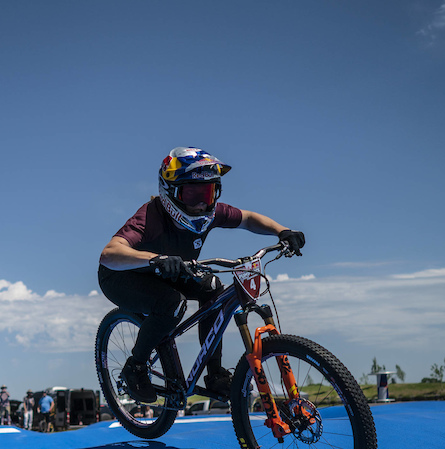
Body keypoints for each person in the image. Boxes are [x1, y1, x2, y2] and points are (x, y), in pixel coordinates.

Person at [98, 147, 305, 403]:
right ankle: (136, 366)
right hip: (122, 276)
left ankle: (215, 374)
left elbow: (248, 218)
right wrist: (155, 259)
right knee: (171, 304)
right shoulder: (150, 216)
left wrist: (282, 231)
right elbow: (109, 253)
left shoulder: (212, 212)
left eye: (207, 193)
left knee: (215, 290)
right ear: (170, 192)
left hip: (170, 271)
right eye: (192, 193)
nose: (200, 202)